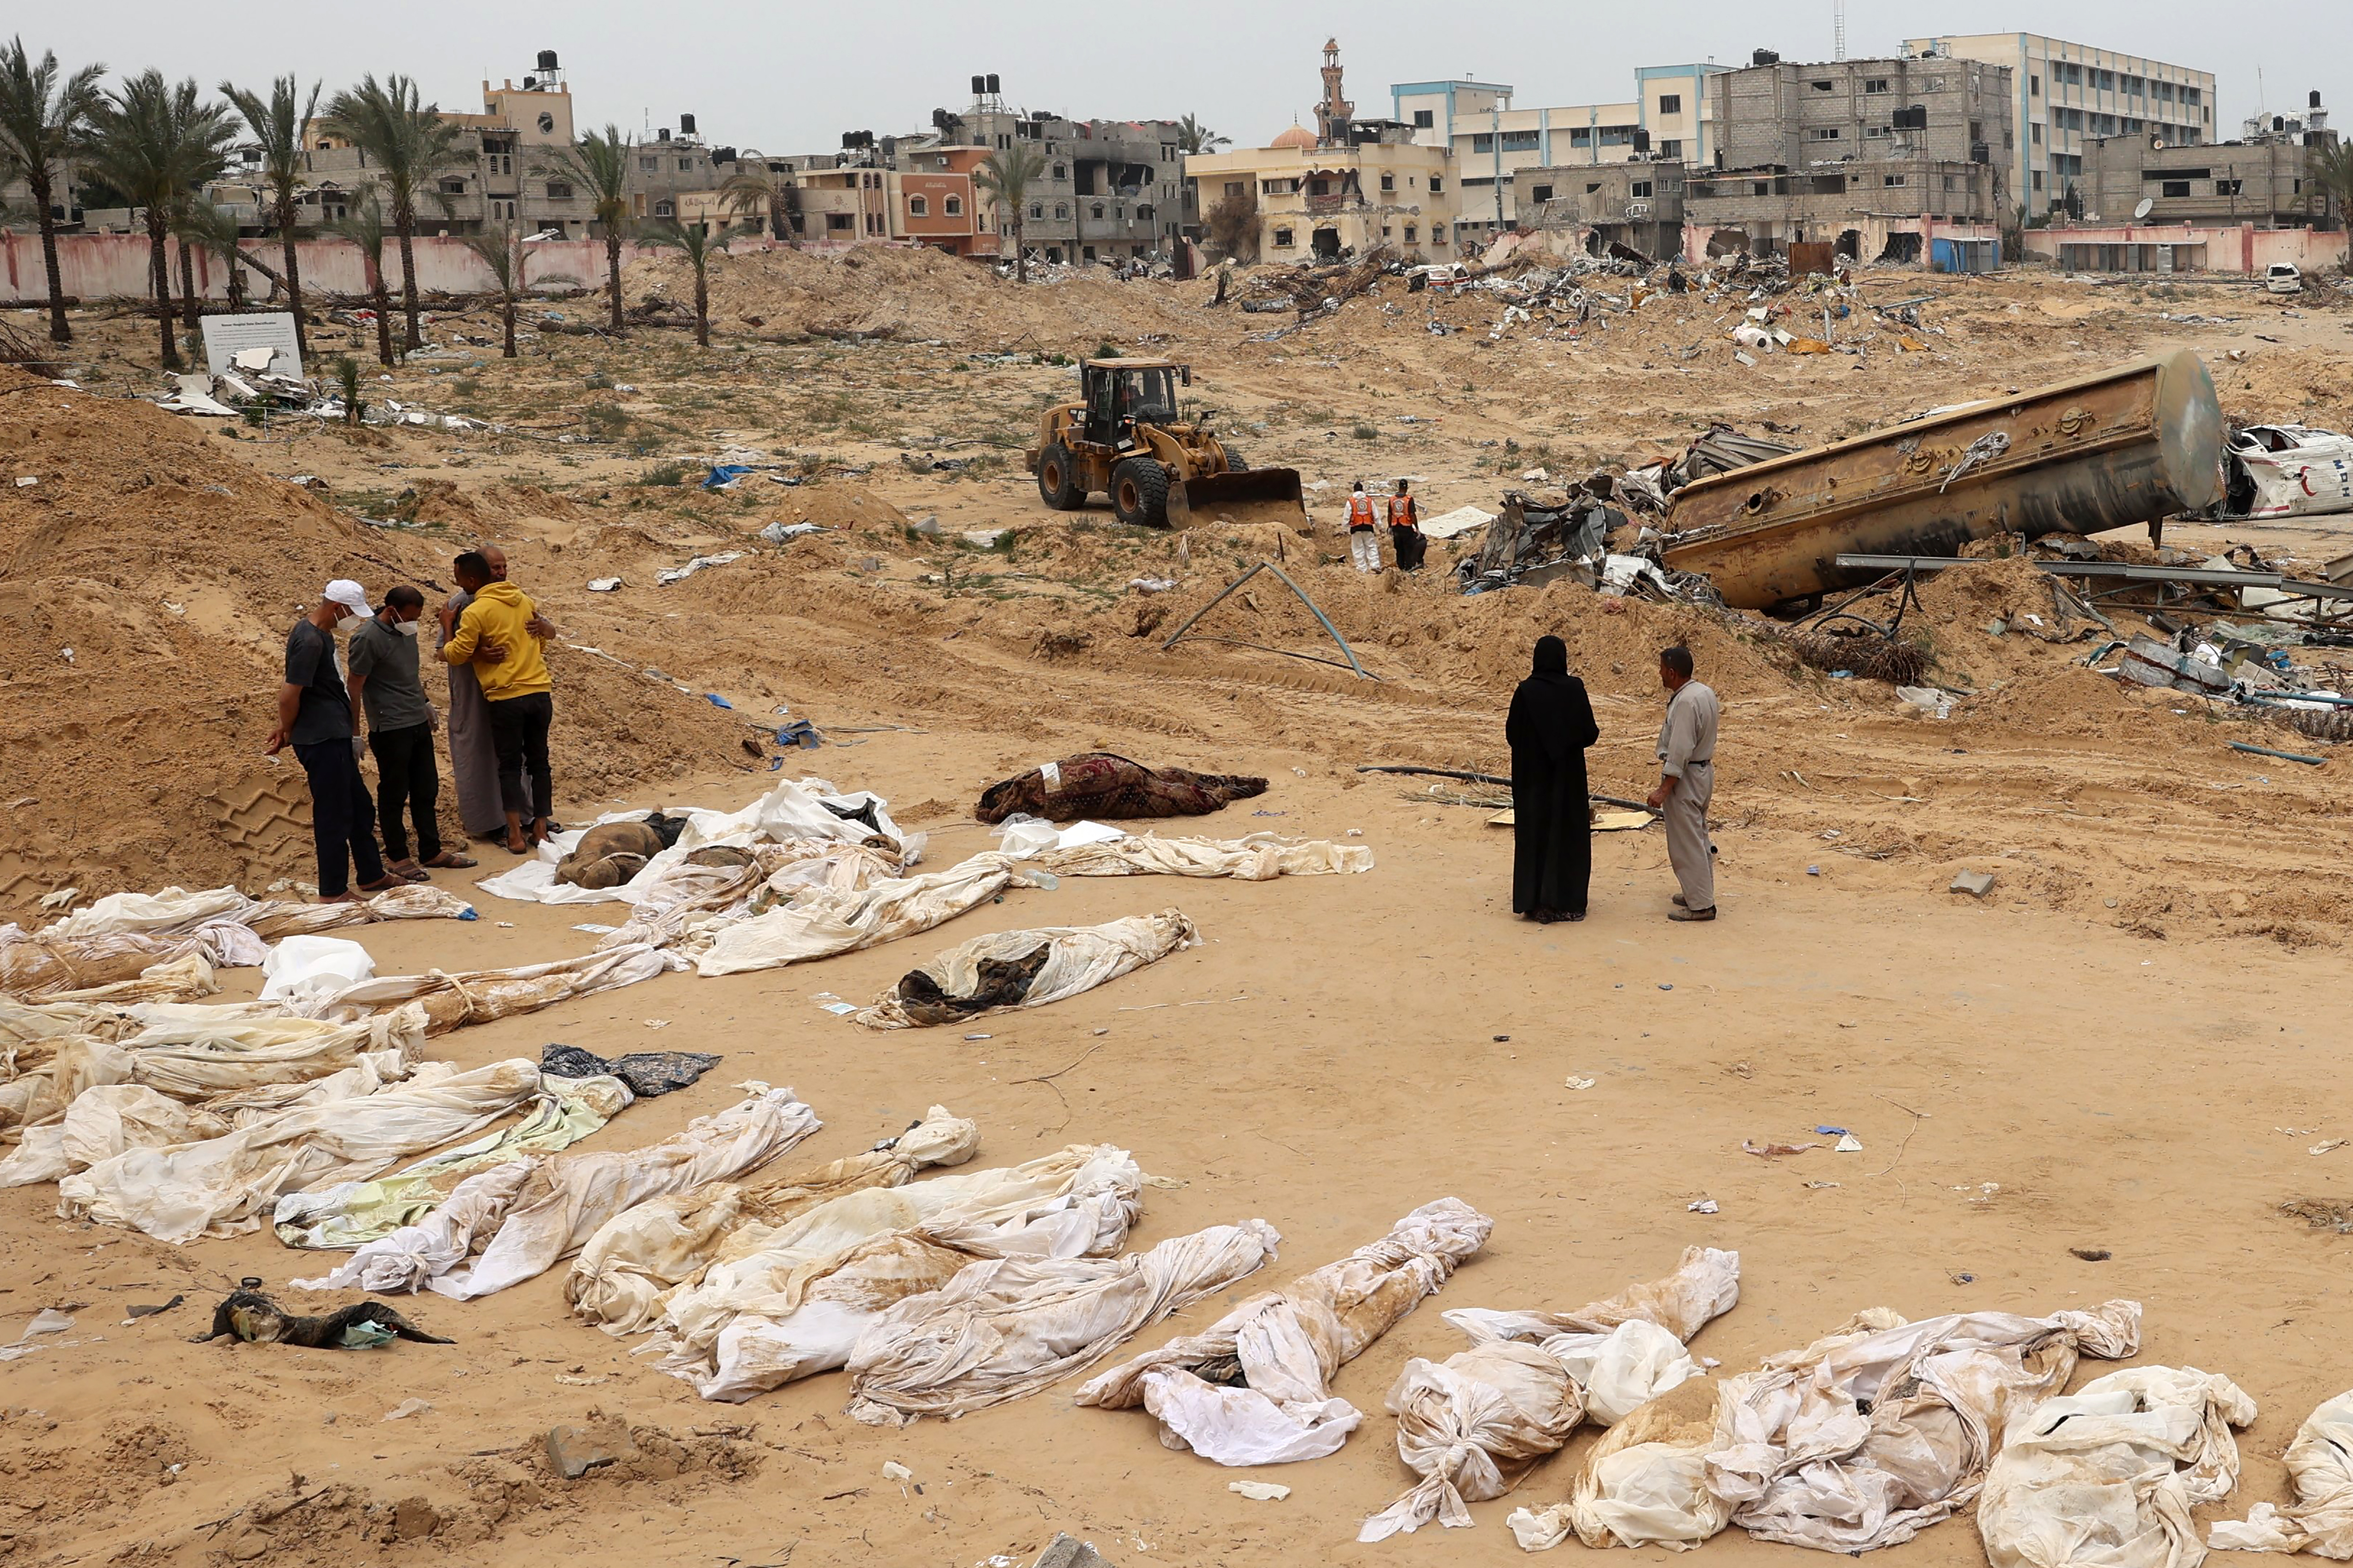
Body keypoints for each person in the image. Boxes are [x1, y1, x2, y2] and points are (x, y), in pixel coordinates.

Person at [266, 580, 399, 903]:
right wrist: (287, 728)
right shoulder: (310, 641)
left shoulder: (320, 635)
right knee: (334, 815)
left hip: (332, 733)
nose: (354, 619)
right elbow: (289, 694)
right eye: (352, 612)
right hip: (322, 738)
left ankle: (371, 873)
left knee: (359, 807)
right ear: (338, 608)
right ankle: (333, 891)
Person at [348, 585, 474, 880]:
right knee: (394, 793)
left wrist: (425, 701)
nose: (413, 623)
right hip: (390, 727)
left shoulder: (406, 631)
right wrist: (355, 732)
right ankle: (398, 856)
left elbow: (410, 673)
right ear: (392, 611)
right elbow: (355, 687)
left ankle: (431, 850)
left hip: (416, 721)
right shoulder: (367, 639)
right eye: (409, 617)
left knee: (426, 789)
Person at [440, 549, 554, 854]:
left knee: (510, 766)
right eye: (496, 567)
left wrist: (448, 626)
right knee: (539, 763)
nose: (502, 572)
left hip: (505, 696)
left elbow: (453, 654)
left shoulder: (475, 610)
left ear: (471, 579)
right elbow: (541, 643)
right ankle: (539, 829)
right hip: (538, 691)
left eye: (505, 566)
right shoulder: (523, 601)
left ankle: (515, 835)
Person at [1505, 635, 1600, 924]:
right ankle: (1567, 902)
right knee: (1567, 835)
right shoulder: (1575, 690)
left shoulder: (1525, 692)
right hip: (1567, 781)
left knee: (1535, 835)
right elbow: (1590, 733)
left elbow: (1512, 735)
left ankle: (1534, 902)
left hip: (1532, 781)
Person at [1646, 644, 1720, 922]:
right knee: (1698, 837)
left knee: (1686, 843)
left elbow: (1679, 750)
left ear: (1672, 672)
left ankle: (1701, 905)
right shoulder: (1703, 692)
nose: (1660, 674)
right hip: (1702, 773)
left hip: (1687, 778)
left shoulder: (1687, 702)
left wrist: (1664, 789)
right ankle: (1698, 893)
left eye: (1662, 669)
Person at [1387, 478, 1426, 573]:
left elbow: (1389, 514)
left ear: (1399, 487)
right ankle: (1408, 567)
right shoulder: (1408, 499)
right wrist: (1417, 528)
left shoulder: (1392, 499)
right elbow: (1412, 515)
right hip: (1406, 528)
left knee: (1399, 549)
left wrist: (1390, 527)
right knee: (1409, 548)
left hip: (1396, 527)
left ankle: (1401, 567)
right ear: (1407, 488)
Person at [1345, 481, 1382, 573]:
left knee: (1358, 549)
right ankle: (1375, 565)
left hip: (1356, 528)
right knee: (1371, 546)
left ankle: (1362, 568)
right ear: (1362, 490)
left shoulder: (1351, 501)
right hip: (1368, 527)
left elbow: (1346, 517)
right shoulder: (1369, 501)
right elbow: (1376, 516)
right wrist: (1380, 528)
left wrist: (1346, 528)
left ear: (1354, 490)